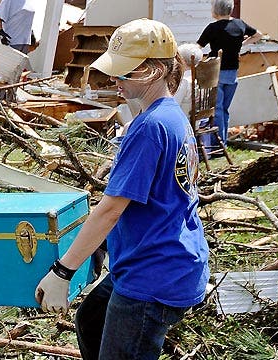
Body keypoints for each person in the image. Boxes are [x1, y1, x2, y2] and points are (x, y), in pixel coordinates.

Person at [35, 18, 209, 360]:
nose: (115, 78)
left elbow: (112, 208)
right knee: (92, 319)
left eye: (126, 71)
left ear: (157, 70)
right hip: (166, 261)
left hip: (152, 275)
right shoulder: (172, 116)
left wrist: (63, 271)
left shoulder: (149, 127)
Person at [197, 0, 263, 146]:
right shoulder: (240, 24)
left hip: (216, 73)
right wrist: (241, 44)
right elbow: (258, 35)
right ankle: (223, 142)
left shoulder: (212, 28)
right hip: (233, 73)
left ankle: (218, 144)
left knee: (218, 110)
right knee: (224, 110)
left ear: (215, 11)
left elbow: (198, 47)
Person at [173, 43, 204, 118]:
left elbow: (173, 105)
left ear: (181, 60)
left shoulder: (184, 81)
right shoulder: (201, 78)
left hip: (184, 122)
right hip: (198, 121)